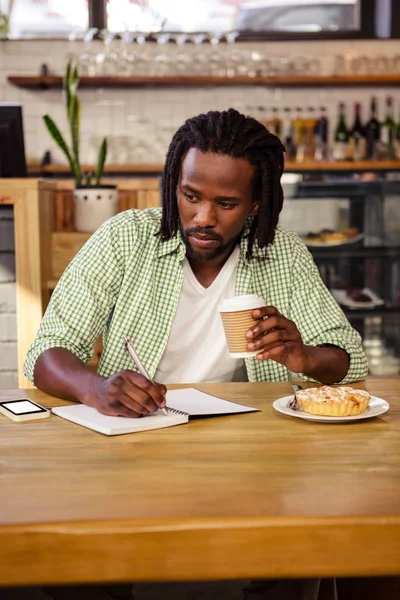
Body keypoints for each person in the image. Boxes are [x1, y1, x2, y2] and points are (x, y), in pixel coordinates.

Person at [24, 108, 368, 600]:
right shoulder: (125, 239)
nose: (204, 218)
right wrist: (94, 386)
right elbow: (46, 349)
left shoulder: (283, 254)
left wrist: (304, 357)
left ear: (256, 204)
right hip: (130, 447)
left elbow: (350, 358)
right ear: (174, 185)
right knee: (72, 562)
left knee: (305, 549)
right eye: (190, 197)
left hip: (253, 456)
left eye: (226, 203)